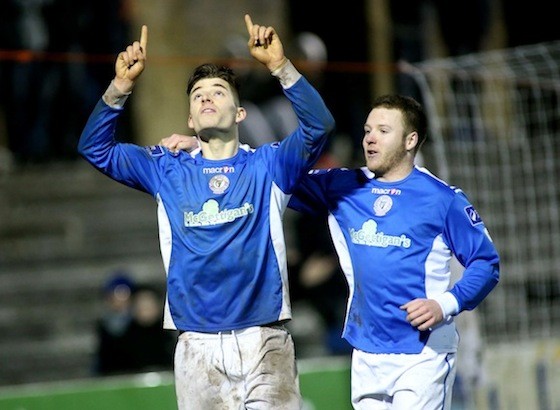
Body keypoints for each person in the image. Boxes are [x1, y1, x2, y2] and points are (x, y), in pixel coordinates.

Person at [161, 94, 500, 409]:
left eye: (383, 130)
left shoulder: (443, 199)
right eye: (368, 130)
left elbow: (486, 263)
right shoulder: (343, 186)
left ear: (410, 140)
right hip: (367, 351)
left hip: (422, 351)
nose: (370, 138)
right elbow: (271, 174)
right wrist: (214, 151)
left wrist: (444, 304)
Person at [78, 13, 335, 410]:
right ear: (189, 118)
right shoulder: (165, 168)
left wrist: (280, 67)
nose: (206, 98)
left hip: (264, 340)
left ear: (240, 113)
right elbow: (95, 149)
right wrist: (120, 86)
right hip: (196, 345)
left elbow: (318, 126)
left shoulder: (269, 166)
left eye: (218, 91)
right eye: (197, 95)